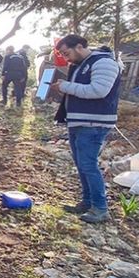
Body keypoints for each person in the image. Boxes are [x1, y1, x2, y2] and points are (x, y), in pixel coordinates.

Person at [51, 34, 121, 223]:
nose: (66, 59)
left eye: (67, 53)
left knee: (89, 165)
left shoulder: (103, 63)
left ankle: (100, 208)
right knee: (82, 165)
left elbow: (98, 90)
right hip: (79, 121)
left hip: (94, 123)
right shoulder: (81, 65)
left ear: (79, 46)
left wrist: (66, 86)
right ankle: (87, 202)